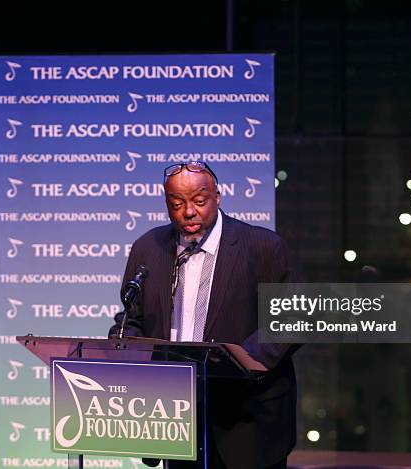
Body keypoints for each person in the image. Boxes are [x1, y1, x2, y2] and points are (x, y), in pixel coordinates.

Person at [110, 162, 296, 469]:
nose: (189, 212)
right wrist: (123, 353)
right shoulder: (148, 248)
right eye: (177, 203)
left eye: (199, 201)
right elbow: (132, 317)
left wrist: (240, 363)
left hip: (247, 418)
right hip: (175, 417)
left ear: (218, 197)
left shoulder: (262, 246)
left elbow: (290, 317)